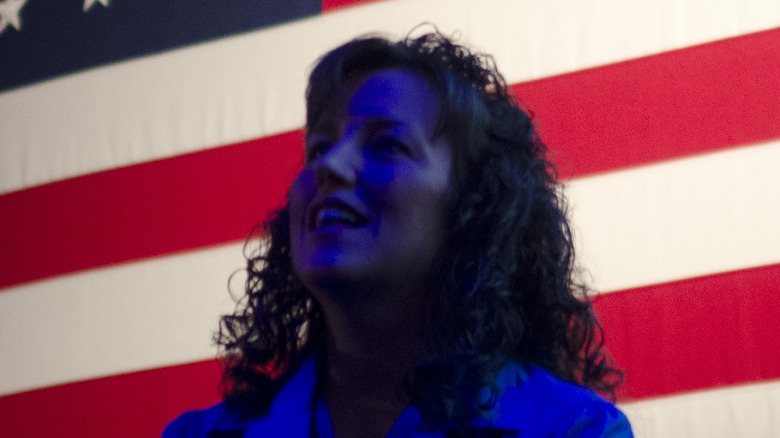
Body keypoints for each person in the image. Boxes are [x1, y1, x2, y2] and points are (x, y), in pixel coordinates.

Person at [163, 29, 633, 438]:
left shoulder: (572, 431)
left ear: (473, 209)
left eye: (386, 145)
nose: (328, 165)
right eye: (319, 146)